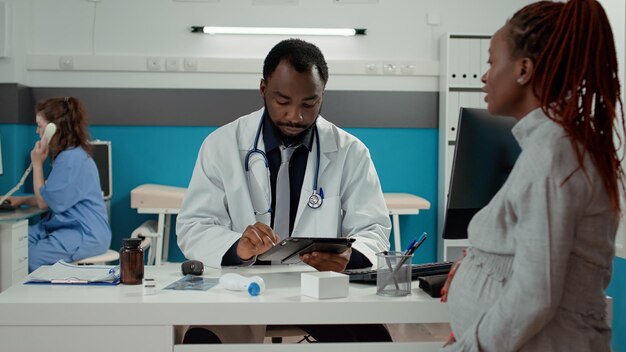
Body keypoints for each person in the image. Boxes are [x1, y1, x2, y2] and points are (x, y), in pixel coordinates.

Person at [176, 38, 392, 343]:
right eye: (283, 101)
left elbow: (375, 229)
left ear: (322, 95)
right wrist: (238, 247)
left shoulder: (350, 152)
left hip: (319, 290)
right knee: (201, 341)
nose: (296, 116)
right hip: (240, 288)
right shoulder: (221, 145)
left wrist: (348, 257)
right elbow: (192, 227)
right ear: (263, 89)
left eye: (309, 103)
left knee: (373, 340)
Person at [440, 0, 624, 350]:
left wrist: (472, 345)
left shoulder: (554, 155)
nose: (484, 75)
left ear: (523, 69)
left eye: (492, 61)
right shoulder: (553, 146)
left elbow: (535, 295)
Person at [7, 97, 112, 273]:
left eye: (40, 126)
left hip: (84, 233)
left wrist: (38, 164)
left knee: (27, 258)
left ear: (52, 129)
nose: (37, 131)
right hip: (68, 227)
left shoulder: (70, 159)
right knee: (14, 242)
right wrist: (22, 200)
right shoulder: (71, 155)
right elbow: (51, 197)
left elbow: (43, 203)